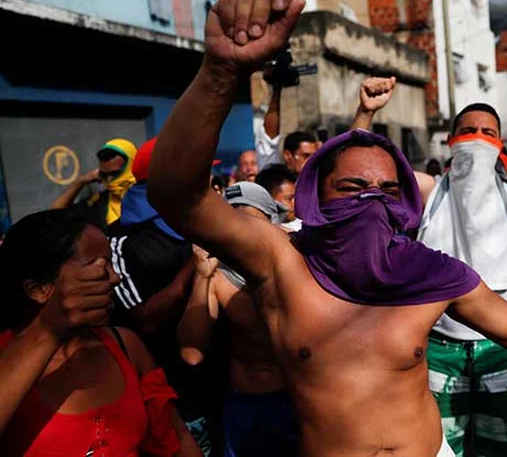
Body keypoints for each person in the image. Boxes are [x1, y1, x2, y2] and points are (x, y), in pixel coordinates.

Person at [147, 0, 507, 457]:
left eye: (387, 192)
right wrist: (219, 74)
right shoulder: (280, 261)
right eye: (351, 189)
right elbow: (178, 193)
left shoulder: (427, 271)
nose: (370, 203)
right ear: (315, 199)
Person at [0, 208, 201, 456]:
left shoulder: (124, 345)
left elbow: (176, 437)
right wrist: (48, 330)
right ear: (39, 289)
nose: (115, 278)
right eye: (98, 266)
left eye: (110, 263)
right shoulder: (5, 359)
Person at [415, 104, 507, 456]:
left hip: (503, 349)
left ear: (500, 144)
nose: (477, 139)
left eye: (487, 133)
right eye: (467, 131)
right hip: (437, 350)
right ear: (449, 142)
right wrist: (365, 111)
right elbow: (361, 158)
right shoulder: (428, 193)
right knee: (437, 449)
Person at [108, 138, 214, 454]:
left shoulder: (203, 226)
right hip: (173, 404)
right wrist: (192, 269)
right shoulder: (119, 242)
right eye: (199, 171)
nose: (207, 180)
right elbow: (143, 322)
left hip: (221, 392)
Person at [178, 181, 296, 457]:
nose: (244, 237)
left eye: (252, 225)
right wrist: (202, 276)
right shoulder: (217, 277)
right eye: (235, 226)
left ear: (273, 223)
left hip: (300, 402)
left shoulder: (298, 265)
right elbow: (191, 354)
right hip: (248, 407)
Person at [51, 138, 138, 230]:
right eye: (104, 175)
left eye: (114, 174)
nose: (109, 179)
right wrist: (80, 182)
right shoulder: (98, 203)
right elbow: (54, 215)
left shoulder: (147, 197)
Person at [256, 164, 302, 231]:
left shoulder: (304, 227)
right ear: (268, 198)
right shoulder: (255, 230)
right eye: (289, 198)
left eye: (296, 197)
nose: (295, 203)